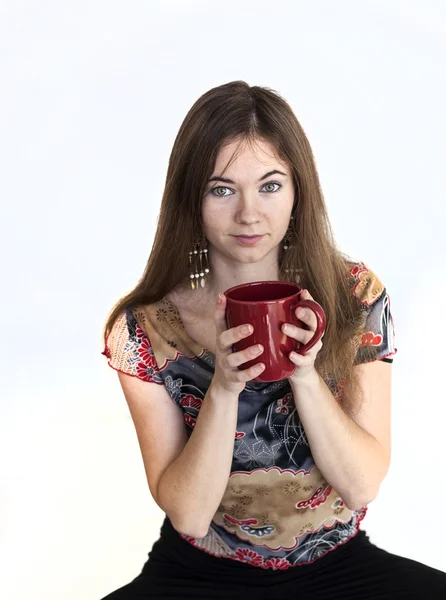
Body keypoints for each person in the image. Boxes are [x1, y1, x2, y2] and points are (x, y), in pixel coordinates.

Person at [99, 81, 446, 599]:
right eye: (221, 189)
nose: (249, 214)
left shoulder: (354, 296)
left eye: (270, 185)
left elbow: (361, 485)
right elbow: (190, 515)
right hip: (198, 572)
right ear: (190, 197)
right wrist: (222, 387)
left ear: (297, 190)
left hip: (338, 566)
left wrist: (304, 374)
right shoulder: (142, 330)